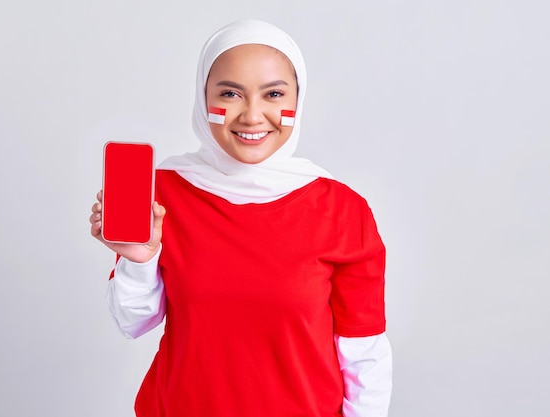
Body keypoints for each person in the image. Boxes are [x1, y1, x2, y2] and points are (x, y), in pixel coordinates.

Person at [90, 19, 392, 417]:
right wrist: (138, 258)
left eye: (273, 94)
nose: (252, 115)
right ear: (203, 97)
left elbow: (363, 352)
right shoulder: (163, 194)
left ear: (297, 101)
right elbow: (133, 322)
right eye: (230, 93)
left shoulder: (341, 210)